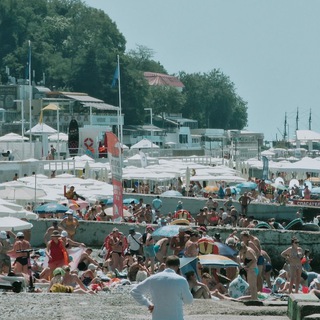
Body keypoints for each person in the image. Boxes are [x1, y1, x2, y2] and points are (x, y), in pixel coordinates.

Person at [131, 255, 193, 320]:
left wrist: (148, 304)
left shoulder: (153, 278)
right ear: (178, 266)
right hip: (176, 317)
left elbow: (134, 291)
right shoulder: (181, 280)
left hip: (158, 317)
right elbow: (189, 301)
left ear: (165, 265)